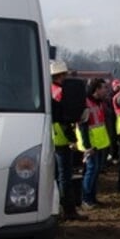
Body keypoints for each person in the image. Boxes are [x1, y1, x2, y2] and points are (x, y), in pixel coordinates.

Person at [49, 60, 81, 220]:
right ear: (60, 76)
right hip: (61, 137)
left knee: (54, 175)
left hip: (52, 137)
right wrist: (72, 139)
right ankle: (68, 210)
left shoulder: (48, 90)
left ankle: (54, 208)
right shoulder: (61, 93)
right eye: (65, 74)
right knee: (65, 176)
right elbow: (66, 118)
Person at [77, 78, 111, 208]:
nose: (106, 91)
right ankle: (86, 199)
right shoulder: (86, 103)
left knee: (95, 171)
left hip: (98, 143)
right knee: (91, 170)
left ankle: (92, 198)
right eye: (103, 88)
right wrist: (87, 146)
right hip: (90, 145)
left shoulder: (98, 103)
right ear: (96, 89)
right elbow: (83, 127)